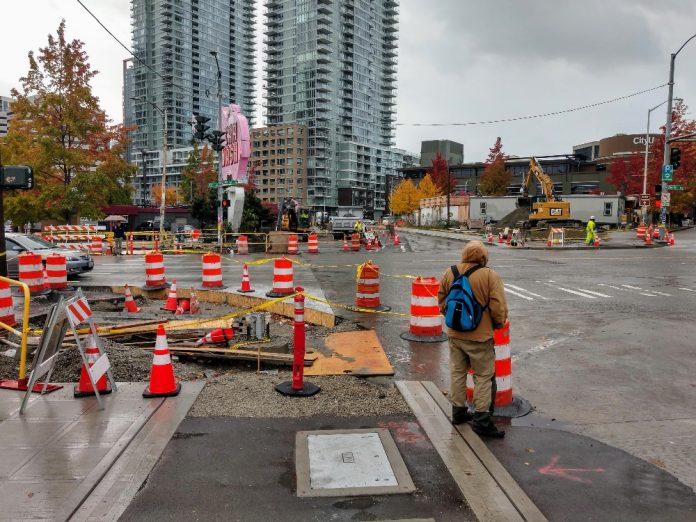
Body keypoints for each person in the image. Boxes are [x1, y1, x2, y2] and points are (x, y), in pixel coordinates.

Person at [438, 240, 508, 438]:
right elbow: (498, 307)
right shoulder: (489, 276)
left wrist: (452, 318)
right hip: (480, 336)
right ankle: (482, 421)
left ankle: (458, 413)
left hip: (455, 335)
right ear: (484, 257)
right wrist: (497, 324)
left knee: (458, 373)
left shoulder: (450, 272)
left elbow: (441, 298)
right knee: (483, 377)